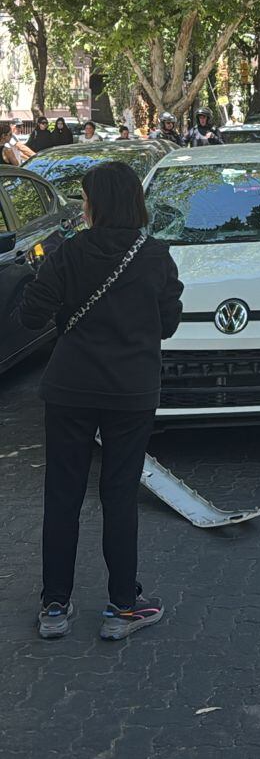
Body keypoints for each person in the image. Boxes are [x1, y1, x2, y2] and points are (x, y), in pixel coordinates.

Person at [6, 160, 183, 640]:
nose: (82, 206)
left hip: (69, 388)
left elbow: (31, 316)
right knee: (119, 495)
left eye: (85, 198)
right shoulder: (155, 255)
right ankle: (124, 606)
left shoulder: (68, 252)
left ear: (97, 204)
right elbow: (168, 322)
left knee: (62, 494)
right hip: (130, 391)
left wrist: (63, 307)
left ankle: (54, 607)